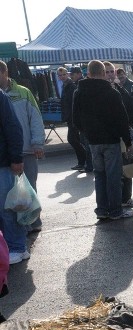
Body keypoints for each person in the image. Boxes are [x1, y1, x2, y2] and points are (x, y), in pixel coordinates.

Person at [72, 60, 133, 222]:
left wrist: (85, 132)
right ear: (102, 73)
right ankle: (115, 210)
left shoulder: (79, 92)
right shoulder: (111, 92)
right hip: (111, 140)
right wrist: (128, 142)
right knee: (113, 176)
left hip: (92, 141)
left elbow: (75, 118)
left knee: (99, 175)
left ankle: (102, 209)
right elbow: (122, 118)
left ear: (89, 73)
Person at [0, 61, 45, 232]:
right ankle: (17, 227)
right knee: (9, 195)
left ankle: (33, 221)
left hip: (26, 150)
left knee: (28, 188)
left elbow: (35, 118)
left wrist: (38, 143)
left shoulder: (23, 92)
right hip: (5, 154)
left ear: (4, 72)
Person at [103, 61, 133, 210]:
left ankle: (126, 198)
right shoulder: (101, 91)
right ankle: (116, 202)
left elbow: (130, 109)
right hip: (109, 137)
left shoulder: (120, 88)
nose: (109, 75)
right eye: (106, 72)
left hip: (124, 133)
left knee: (128, 166)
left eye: (111, 72)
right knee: (113, 172)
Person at [0, 88, 29, 264]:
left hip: (3, 163)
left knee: (8, 208)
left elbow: (12, 126)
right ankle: (7, 248)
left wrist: (16, 158)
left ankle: (18, 247)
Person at [62, 66, 91, 172]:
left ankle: (86, 163)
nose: (71, 76)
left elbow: (77, 104)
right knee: (80, 141)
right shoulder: (74, 85)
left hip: (78, 119)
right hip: (74, 118)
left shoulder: (79, 85)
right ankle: (84, 163)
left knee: (79, 140)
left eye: (72, 74)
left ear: (79, 74)